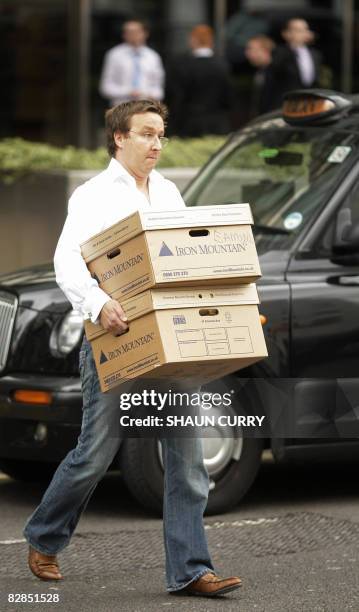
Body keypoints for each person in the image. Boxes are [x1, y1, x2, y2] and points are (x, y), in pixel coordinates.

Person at [23, 99, 242, 598]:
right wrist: (99, 304)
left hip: (171, 345)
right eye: (147, 134)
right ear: (120, 137)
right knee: (95, 455)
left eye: (161, 135)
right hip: (113, 342)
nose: (156, 145)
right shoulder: (93, 195)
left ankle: (190, 569)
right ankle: (44, 535)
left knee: (186, 461)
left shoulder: (168, 192)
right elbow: (67, 262)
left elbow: (186, 256)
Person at [167, 25, 234, 137]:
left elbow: (176, 97)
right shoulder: (222, 65)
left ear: (193, 40)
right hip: (217, 123)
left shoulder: (182, 66)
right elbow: (228, 98)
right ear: (211, 41)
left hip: (189, 123)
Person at [99, 20, 164, 107]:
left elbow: (159, 89)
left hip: (146, 107)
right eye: (129, 32)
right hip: (120, 108)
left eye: (136, 31)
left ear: (145, 33)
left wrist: (146, 94)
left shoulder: (153, 56)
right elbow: (105, 88)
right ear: (124, 35)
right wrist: (129, 92)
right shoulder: (114, 55)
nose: (133, 35)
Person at [269, 18, 321, 109]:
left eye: (305, 29)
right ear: (286, 34)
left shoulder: (315, 54)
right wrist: (294, 46)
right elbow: (275, 71)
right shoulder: (280, 52)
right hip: (286, 103)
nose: (303, 33)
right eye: (298, 30)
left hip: (308, 103)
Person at [245, 35, 275, 115]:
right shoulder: (259, 72)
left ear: (266, 51)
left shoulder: (276, 74)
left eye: (251, 49)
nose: (247, 53)